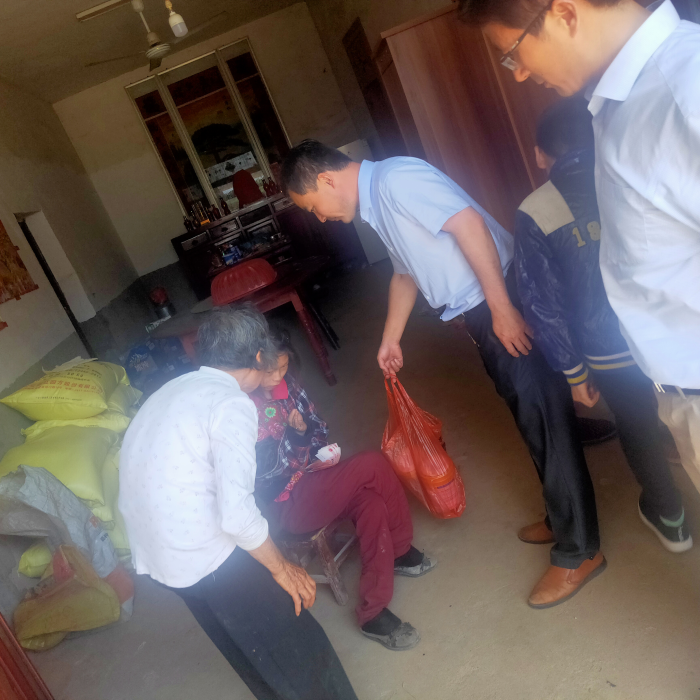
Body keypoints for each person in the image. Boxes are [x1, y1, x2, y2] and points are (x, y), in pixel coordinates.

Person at [281, 140, 605, 609]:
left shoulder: (396, 181)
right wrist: (391, 338)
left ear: (327, 180)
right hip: (483, 310)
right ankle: (563, 517)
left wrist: (501, 308)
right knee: (533, 417)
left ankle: (580, 552)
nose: (320, 218)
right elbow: (405, 274)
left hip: (499, 298)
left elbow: (468, 224)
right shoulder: (378, 204)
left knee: (545, 420)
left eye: (313, 206)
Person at [457, 0, 700, 491]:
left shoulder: (684, 89)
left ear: (565, 14)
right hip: (675, 384)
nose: (519, 73)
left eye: (513, 52)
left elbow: (543, 301)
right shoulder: (620, 103)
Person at [119, 306, 358, 700]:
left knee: (247, 647)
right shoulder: (230, 404)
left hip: (158, 555)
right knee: (298, 646)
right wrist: (282, 569)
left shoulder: (172, 389)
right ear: (259, 357)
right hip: (203, 552)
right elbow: (237, 516)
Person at [514, 96, 691, 552]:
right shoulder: (635, 171)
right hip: (671, 329)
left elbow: (544, 303)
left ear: (540, 155)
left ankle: (671, 518)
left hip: (609, 348)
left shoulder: (535, 210)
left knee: (636, 424)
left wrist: (575, 374)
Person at [249, 328, 436, 651]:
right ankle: (401, 550)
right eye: (269, 371)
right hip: (286, 503)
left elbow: (320, 428)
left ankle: (372, 613)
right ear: (253, 366)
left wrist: (308, 437)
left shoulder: (288, 386)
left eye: (283, 367)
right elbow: (267, 475)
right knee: (372, 464)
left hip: (314, 478)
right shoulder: (243, 408)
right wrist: (298, 439)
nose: (277, 377)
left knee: (372, 504)